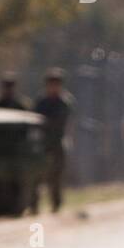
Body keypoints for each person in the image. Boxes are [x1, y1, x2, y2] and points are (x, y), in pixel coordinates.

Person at [34, 68, 74, 212]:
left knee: (56, 176)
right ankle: (34, 206)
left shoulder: (64, 102)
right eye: (51, 84)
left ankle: (56, 205)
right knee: (37, 175)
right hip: (42, 144)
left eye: (56, 84)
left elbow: (60, 122)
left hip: (57, 142)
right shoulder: (41, 101)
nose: (53, 87)